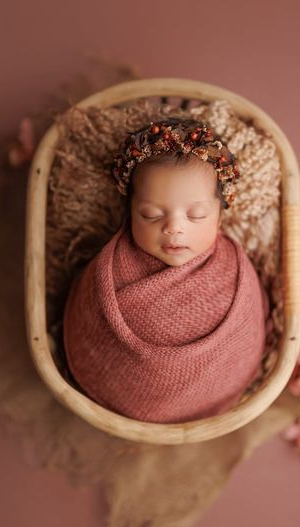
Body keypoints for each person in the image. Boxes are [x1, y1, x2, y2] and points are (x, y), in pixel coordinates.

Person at [63, 117, 269, 423]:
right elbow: (88, 324)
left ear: (219, 218)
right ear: (130, 213)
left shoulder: (235, 271)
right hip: (117, 392)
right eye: (151, 214)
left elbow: (247, 329)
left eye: (196, 215)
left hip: (216, 391)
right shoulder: (109, 268)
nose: (173, 228)